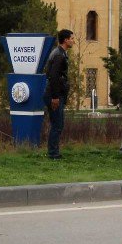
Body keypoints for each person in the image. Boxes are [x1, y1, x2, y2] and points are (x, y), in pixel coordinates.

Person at [43, 29, 74, 160]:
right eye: (72, 38)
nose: (73, 41)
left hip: (56, 93)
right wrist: (55, 97)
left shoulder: (60, 53)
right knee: (57, 124)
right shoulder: (59, 55)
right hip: (54, 95)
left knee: (57, 124)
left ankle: (54, 151)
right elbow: (54, 76)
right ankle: (53, 153)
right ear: (66, 40)